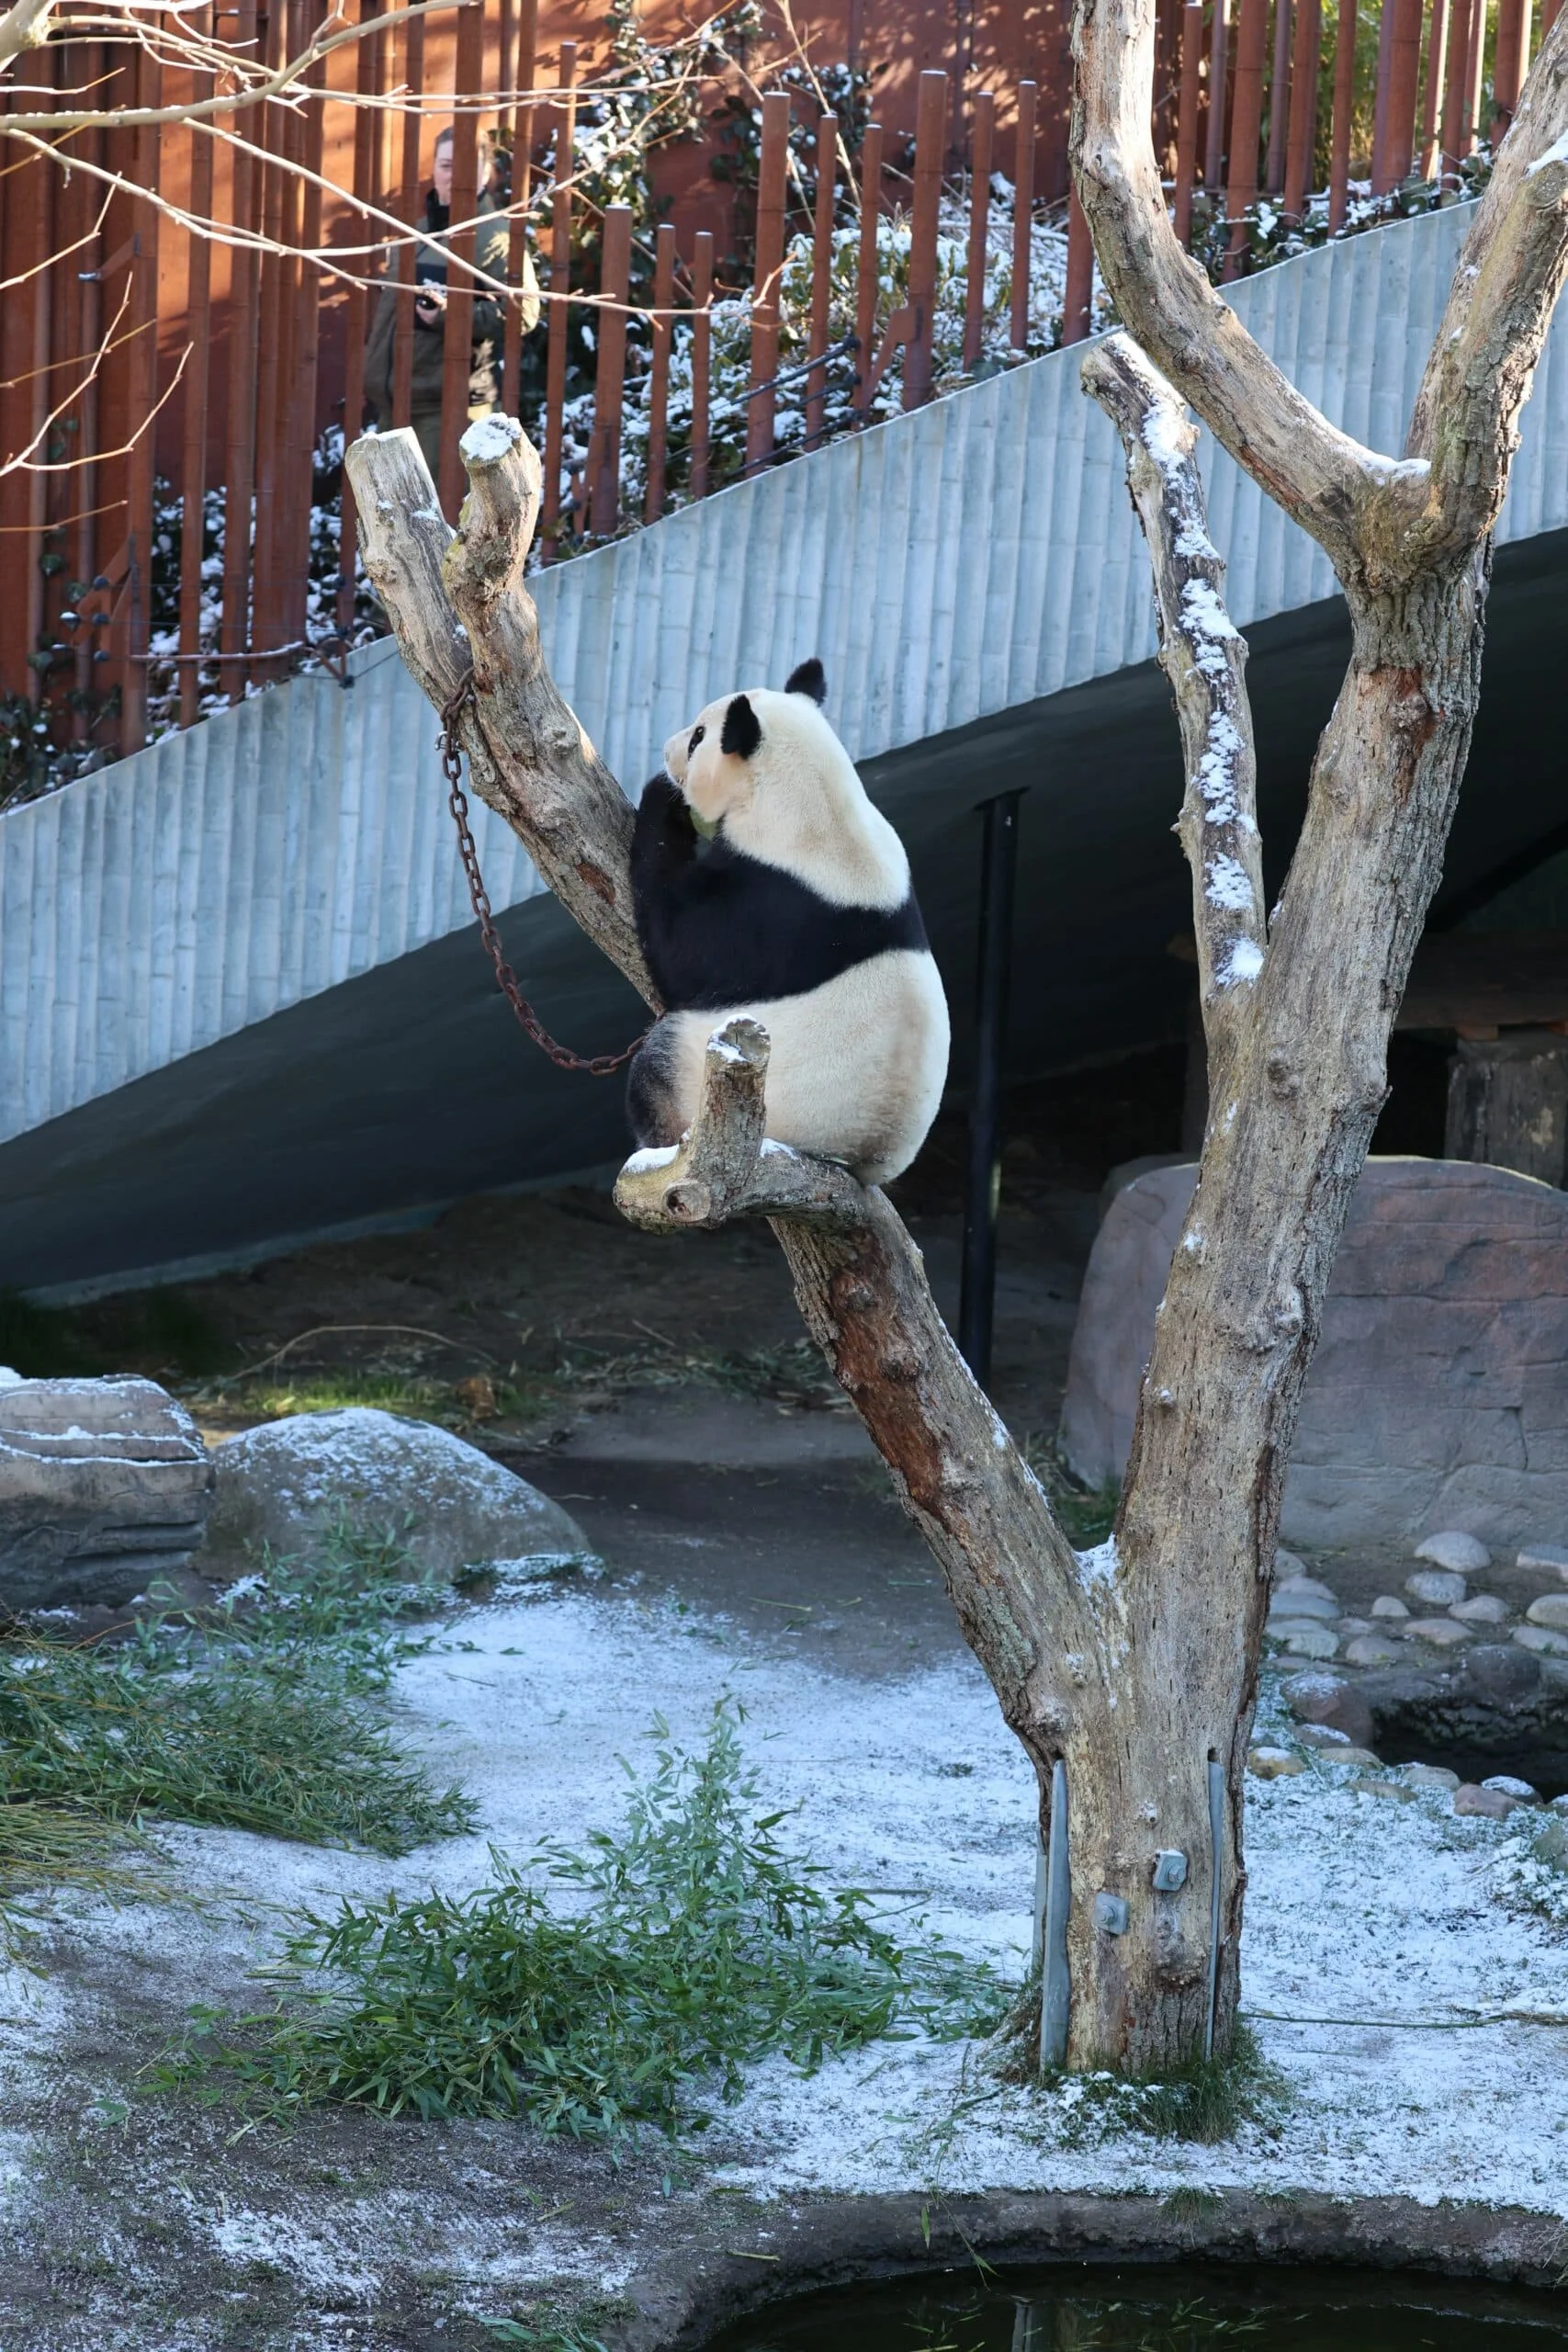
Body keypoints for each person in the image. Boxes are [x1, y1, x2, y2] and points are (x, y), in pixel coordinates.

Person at [364, 125, 540, 481]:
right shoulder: (418, 232)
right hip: (395, 405)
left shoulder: (495, 238)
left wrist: (449, 316)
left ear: (485, 173)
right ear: (433, 169)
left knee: (439, 512)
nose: (453, 176)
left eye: (465, 167)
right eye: (446, 165)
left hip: (449, 412)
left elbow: (523, 314)